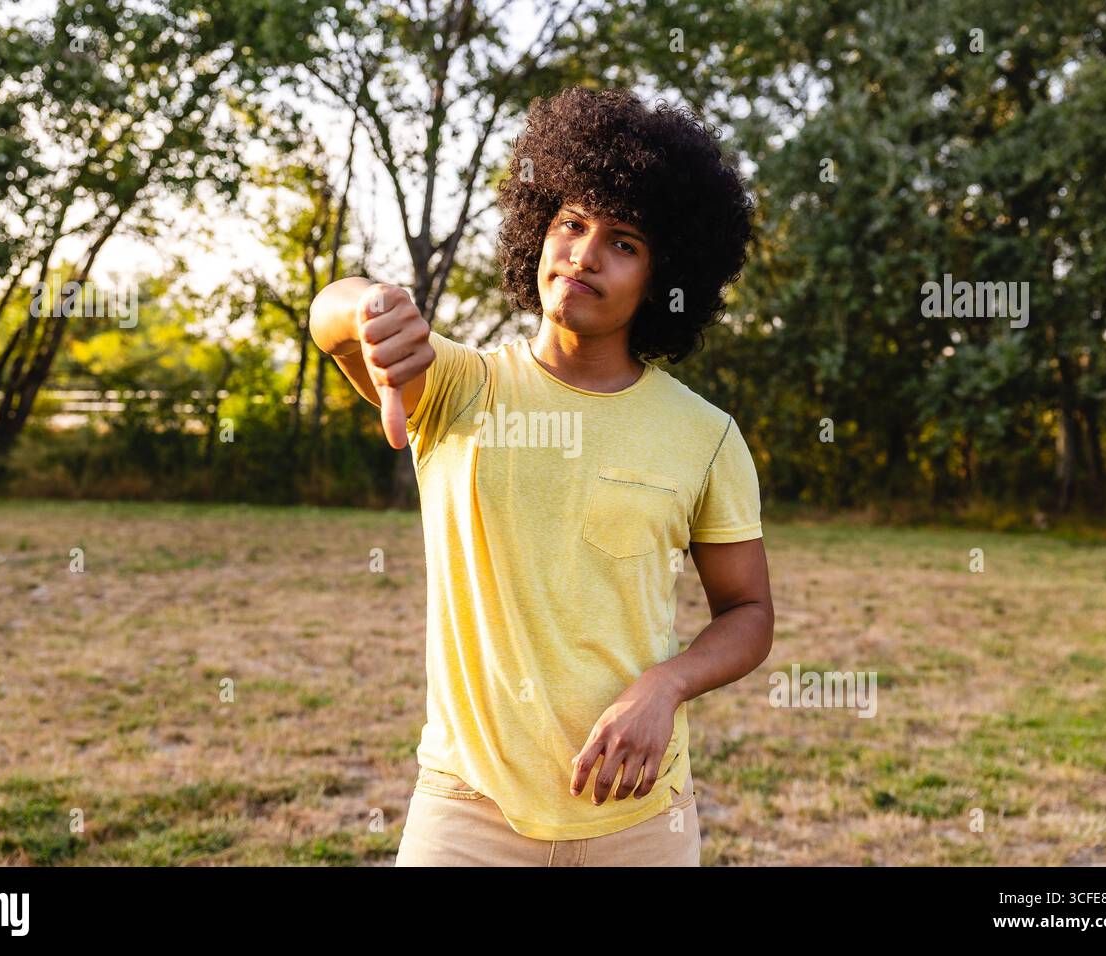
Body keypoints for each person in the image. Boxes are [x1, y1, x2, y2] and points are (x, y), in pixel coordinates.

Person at [309, 86, 773, 866]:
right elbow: (331, 316)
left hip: (639, 818)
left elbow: (749, 612)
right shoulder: (458, 387)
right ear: (537, 232)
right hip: (465, 811)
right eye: (570, 224)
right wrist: (367, 307)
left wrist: (665, 685)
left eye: (623, 241)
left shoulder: (706, 437)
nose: (585, 254)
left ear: (662, 275)